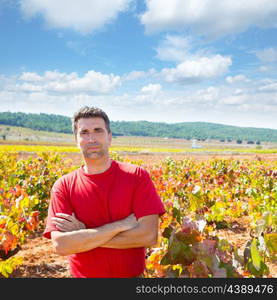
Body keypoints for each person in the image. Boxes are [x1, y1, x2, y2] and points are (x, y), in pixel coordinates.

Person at [43, 106, 165, 278]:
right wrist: (119, 226)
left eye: (98, 131)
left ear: (109, 137)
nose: (91, 138)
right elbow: (61, 245)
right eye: (84, 132)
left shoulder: (137, 176)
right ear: (76, 140)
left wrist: (84, 234)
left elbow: (148, 236)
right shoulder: (63, 186)